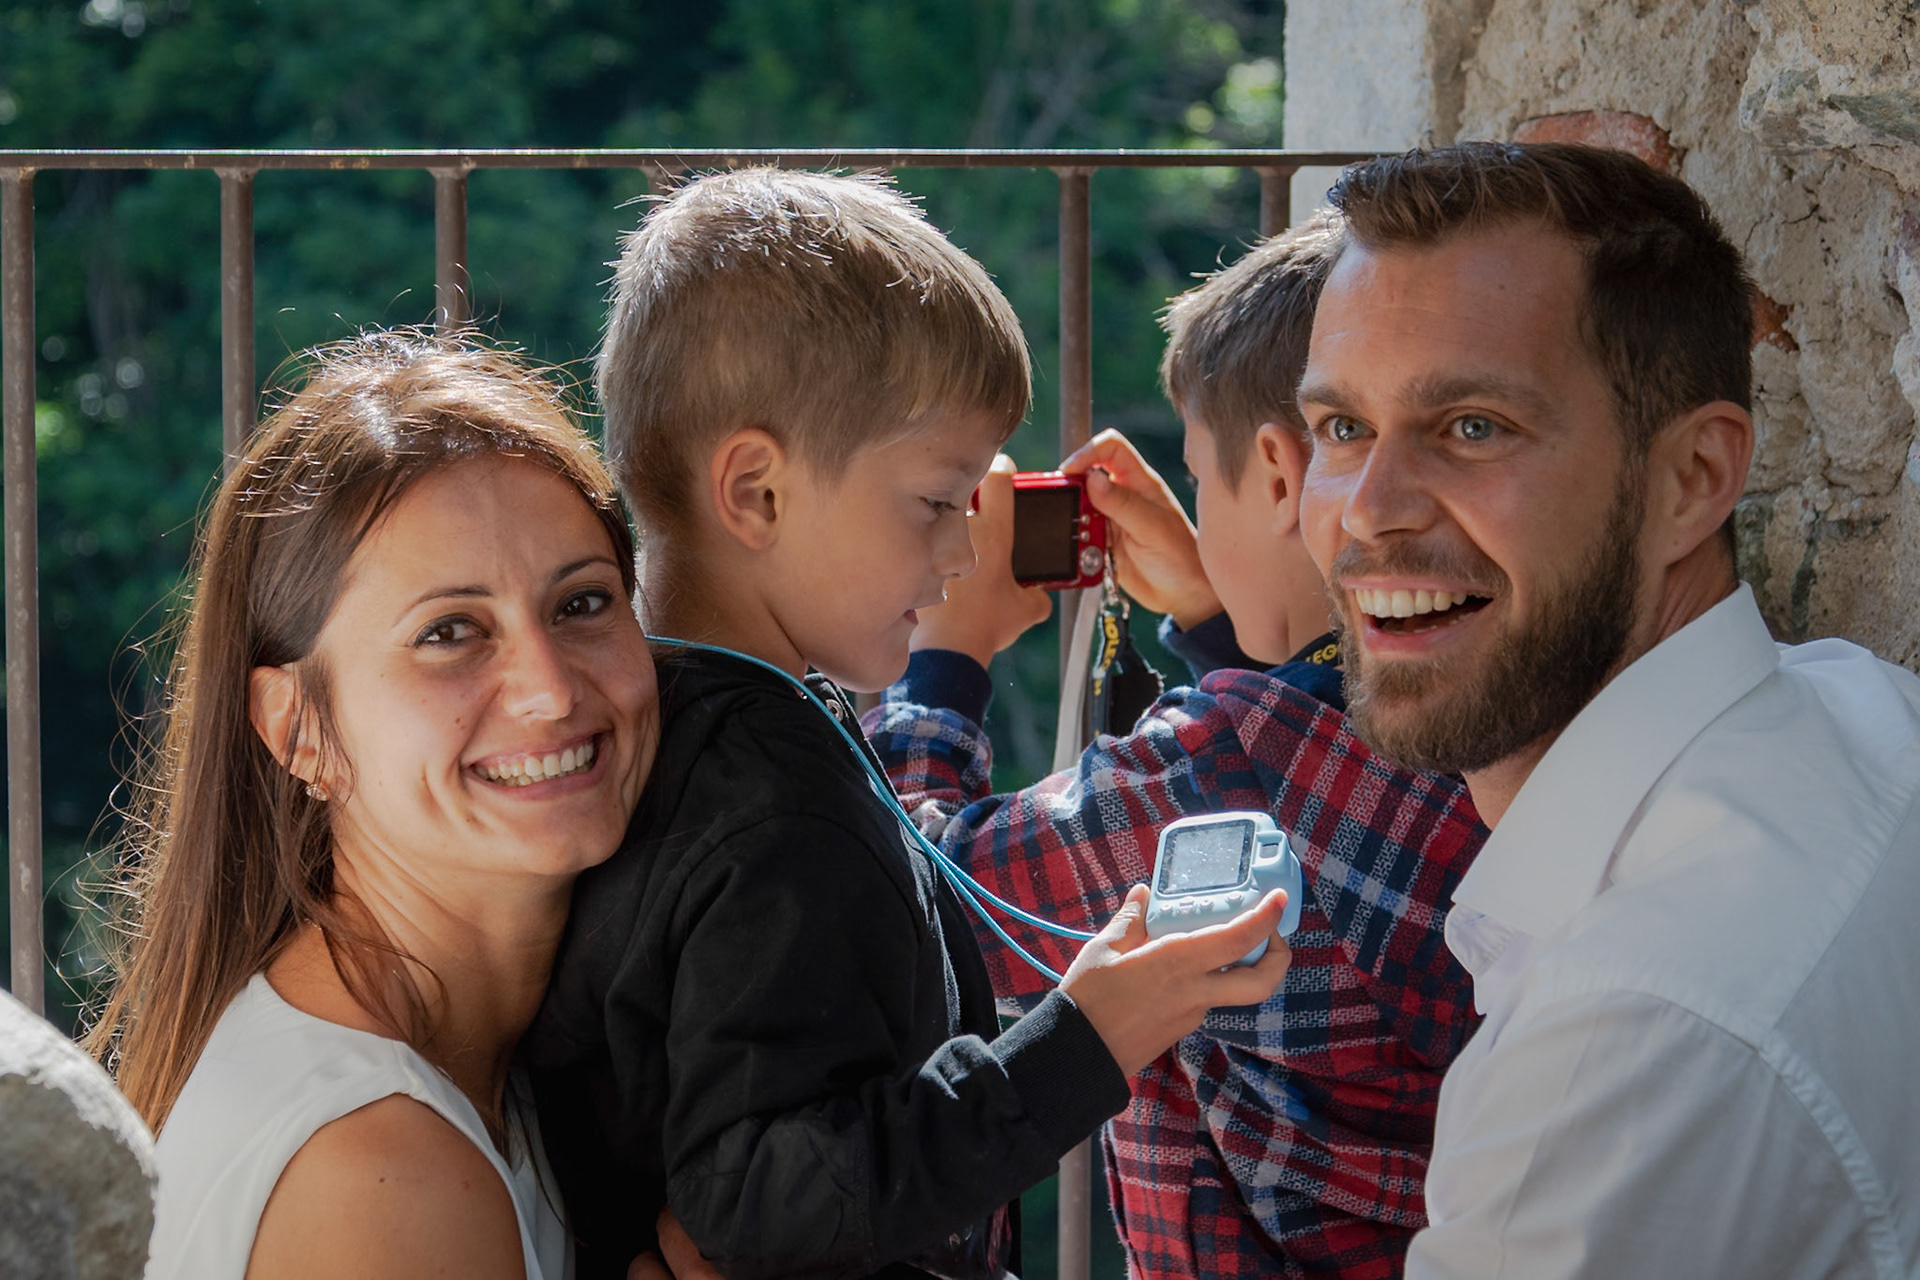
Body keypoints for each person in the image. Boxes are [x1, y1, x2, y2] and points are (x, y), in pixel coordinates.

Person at [521, 167, 1295, 1280]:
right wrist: (1086, 1036)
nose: (962, 548)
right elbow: (761, 1201)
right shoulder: (767, 806)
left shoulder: (704, 727)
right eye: (937, 503)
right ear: (756, 493)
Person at [1294, 140, 1920, 1277]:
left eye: (1473, 425)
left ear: (1692, 479)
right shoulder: (1859, 708)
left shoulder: (1619, 1052)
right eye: (1342, 428)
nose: (1368, 512)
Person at [867, 219, 1487, 1278]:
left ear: (1285, 478)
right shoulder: (1485, 697)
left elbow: (919, 905)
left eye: (1205, 479)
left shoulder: (1214, 762)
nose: (1197, 510)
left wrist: (947, 658)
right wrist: (1219, 613)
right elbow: (1320, 742)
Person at [87, 333, 663, 1280]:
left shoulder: (472, 1072)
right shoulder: (382, 1174)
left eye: (583, 604)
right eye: (449, 632)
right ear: (298, 729)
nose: (549, 690)